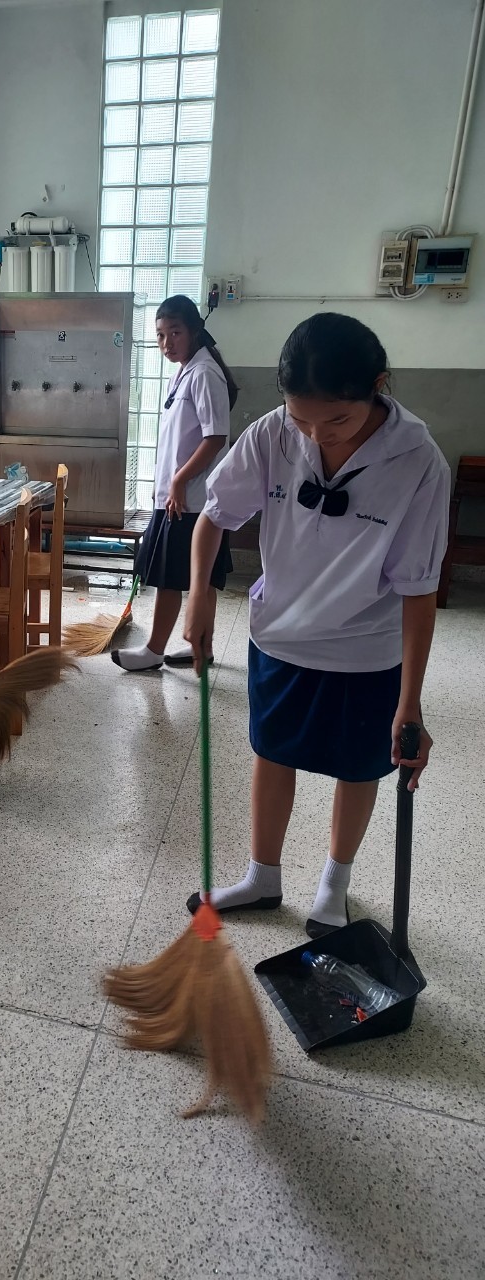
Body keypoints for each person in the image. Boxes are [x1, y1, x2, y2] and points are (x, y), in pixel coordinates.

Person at [183, 313, 450, 937]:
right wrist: (200, 596)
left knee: (358, 768)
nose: (317, 435)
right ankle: (262, 876)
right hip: (280, 635)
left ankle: (334, 885)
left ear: (377, 388)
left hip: (365, 649)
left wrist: (410, 700)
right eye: (302, 419)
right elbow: (214, 516)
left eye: (337, 421)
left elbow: (419, 589)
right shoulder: (272, 434)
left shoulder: (419, 462)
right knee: (272, 753)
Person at [112, 294, 238, 671]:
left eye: (175, 333)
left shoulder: (204, 373)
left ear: (195, 331)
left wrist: (180, 480)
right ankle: (204, 648)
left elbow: (215, 438)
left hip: (191, 498)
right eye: (160, 335)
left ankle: (153, 650)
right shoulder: (185, 371)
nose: (167, 343)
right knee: (200, 577)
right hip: (177, 495)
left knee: (171, 578)